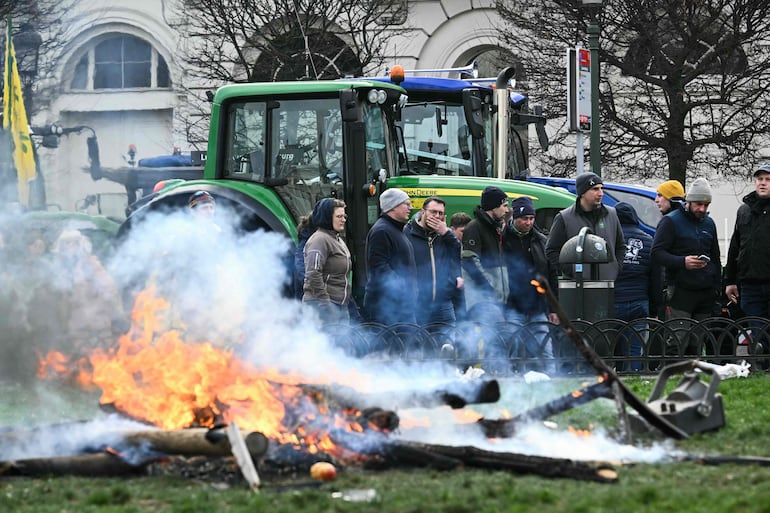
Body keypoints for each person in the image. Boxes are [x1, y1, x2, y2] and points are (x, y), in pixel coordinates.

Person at [502, 196, 558, 374]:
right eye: (524, 218)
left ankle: (552, 380)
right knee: (512, 350)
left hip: (538, 307)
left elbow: (551, 275)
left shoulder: (541, 241)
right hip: (512, 307)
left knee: (545, 351)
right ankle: (511, 382)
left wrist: (553, 308)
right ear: (514, 218)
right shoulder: (502, 240)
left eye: (531, 218)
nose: (528, 222)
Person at [651, 177, 721, 321]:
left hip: (705, 292)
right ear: (688, 201)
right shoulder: (670, 221)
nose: (702, 209)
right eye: (698, 204)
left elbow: (715, 257)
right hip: (680, 291)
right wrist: (682, 262)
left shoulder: (709, 223)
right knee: (677, 339)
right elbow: (656, 253)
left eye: (706, 205)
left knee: (698, 339)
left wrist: (716, 288)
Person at [50, 229, 123, 352]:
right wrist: (62, 322)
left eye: (74, 242)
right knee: (82, 362)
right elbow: (60, 300)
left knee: (105, 358)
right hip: (76, 325)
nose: (71, 246)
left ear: (80, 244)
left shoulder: (92, 264)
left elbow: (110, 289)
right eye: (67, 243)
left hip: (98, 321)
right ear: (62, 247)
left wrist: (118, 313)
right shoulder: (59, 269)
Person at [545, 172, 625, 281]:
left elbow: (620, 246)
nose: (600, 193)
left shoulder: (611, 214)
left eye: (601, 189)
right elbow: (551, 250)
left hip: (607, 284)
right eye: (595, 189)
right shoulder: (564, 217)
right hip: (578, 287)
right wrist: (572, 270)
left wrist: (615, 268)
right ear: (582, 192)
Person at [614, 202, 663, 371]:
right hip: (639, 302)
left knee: (611, 344)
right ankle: (634, 377)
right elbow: (657, 278)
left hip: (613, 302)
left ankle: (613, 379)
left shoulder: (608, 240)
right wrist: (655, 308)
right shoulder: (648, 241)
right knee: (635, 347)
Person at [404, 196, 462, 329]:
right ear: (423, 212)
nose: (437, 216)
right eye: (433, 212)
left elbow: (457, 252)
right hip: (418, 303)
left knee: (448, 343)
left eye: (441, 213)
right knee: (419, 345)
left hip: (443, 302)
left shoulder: (444, 235)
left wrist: (446, 233)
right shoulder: (408, 233)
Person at [363, 188, 418, 325]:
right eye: (406, 203)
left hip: (400, 306)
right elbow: (379, 268)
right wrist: (404, 287)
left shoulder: (396, 230)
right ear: (393, 206)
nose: (410, 207)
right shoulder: (381, 231)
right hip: (387, 308)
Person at [724, 163, 770, 318]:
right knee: (757, 333)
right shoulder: (744, 210)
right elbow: (735, 246)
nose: (763, 182)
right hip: (750, 284)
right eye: (760, 179)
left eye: (768, 179)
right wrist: (729, 280)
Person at [303, 198, 352, 324]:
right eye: (339, 216)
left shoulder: (337, 239)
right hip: (323, 307)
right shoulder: (320, 240)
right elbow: (313, 273)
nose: (344, 220)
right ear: (327, 218)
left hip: (338, 304)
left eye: (344, 216)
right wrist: (325, 303)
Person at [461, 186, 510, 314]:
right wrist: (490, 289)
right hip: (483, 301)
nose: (507, 210)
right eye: (504, 205)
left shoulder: (496, 229)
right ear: (494, 207)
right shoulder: (474, 227)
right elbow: (469, 261)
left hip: (496, 301)